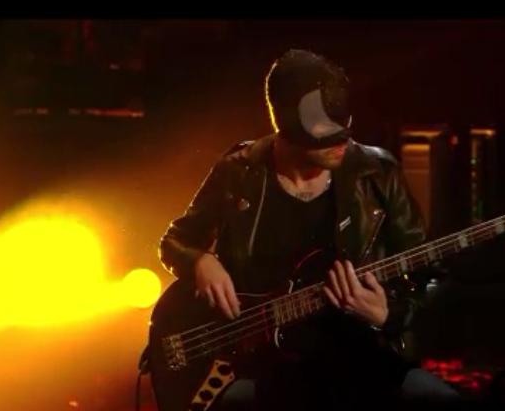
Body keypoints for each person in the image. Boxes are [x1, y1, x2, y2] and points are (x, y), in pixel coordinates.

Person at [159, 49, 459, 410]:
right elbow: (175, 241)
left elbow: (430, 274)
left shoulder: (377, 173)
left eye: (344, 125)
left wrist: (388, 315)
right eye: (327, 132)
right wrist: (199, 262)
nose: (343, 141)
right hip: (259, 366)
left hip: (360, 359)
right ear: (286, 125)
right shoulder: (239, 171)